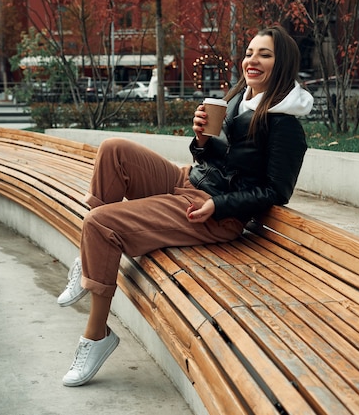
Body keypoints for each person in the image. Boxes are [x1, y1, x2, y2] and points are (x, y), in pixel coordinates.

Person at [57, 25, 313, 387]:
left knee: (101, 224)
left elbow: (276, 191)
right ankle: (88, 259)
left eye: (265, 54)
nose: (252, 60)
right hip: (188, 181)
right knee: (113, 149)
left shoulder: (285, 125)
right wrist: (201, 140)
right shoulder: (238, 101)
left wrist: (220, 205)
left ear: (282, 63)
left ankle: (96, 336)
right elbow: (214, 159)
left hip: (212, 213)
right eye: (250, 52)